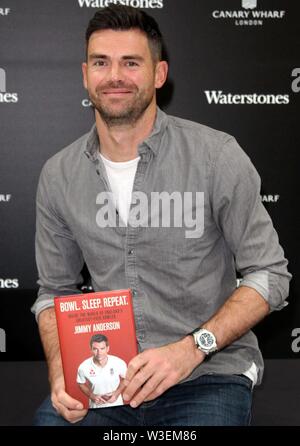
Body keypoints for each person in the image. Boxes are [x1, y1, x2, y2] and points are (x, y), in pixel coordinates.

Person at [32, 5, 291, 426]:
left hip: (208, 374)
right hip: (108, 385)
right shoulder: (59, 175)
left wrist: (190, 349)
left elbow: (270, 274)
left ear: (158, 73)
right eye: (101, 62)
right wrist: (62, 369)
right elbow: (54, 292)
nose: (114, 75)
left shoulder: (216, 157)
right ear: (85, 75)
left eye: (130, 62)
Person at [77, 334, 127, 409]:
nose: (99, 352)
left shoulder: (119, 363)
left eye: (102, 348)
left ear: (107, 348)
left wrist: (116, 394)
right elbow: (80, 383)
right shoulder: (83, 367)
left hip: (117, 405)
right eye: (95, 349)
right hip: (96, 407)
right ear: (91, 349)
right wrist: (92, 396)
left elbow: (126, 378)